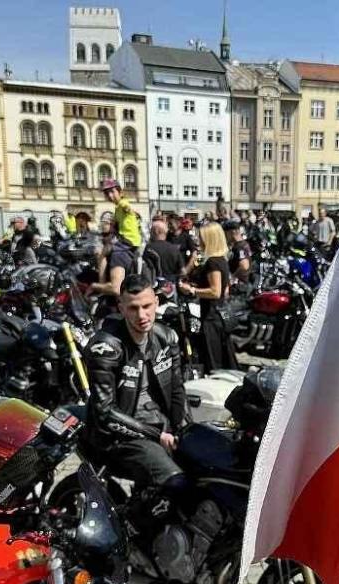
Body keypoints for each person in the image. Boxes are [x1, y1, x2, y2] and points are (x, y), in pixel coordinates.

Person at [84, 274, 186, 495]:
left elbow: (177, 390)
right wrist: (156, 435)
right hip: (120, 438)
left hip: (161, 427)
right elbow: (105, 413)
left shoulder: (167, 337)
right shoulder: (105, 347)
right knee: (175, 482)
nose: (142, 315)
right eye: (133, 308)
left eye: (147, 306)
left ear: (157, 303)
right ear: (121, 308)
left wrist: (185, 430)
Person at [179, 222, 238, 372]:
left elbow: (215, 291)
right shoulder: (221, 260)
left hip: (211, 317)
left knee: (214, 361)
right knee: (221, 358)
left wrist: (192, 290)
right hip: (216, 314)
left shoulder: (213, 262)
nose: (199, 240)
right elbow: (224, 291)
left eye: (202, 237)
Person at [101, 179, 142, 248]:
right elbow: (114, 225)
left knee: (103, 252)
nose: (110, 195)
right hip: (126, 240)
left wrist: (129, 210)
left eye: (112, 192)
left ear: (121, 193)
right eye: (107, 193)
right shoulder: (117, 209)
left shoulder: (122, 203)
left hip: (129, 241)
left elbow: (126, 207)